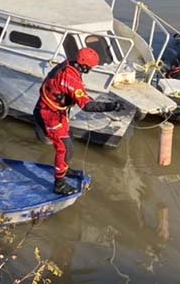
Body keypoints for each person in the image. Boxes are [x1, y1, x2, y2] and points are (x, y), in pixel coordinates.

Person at [33, 47, 122, 195]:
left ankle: (65, 169)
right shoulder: (71, 79)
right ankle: (59, 183)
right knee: (65, 148)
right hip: (50, 115)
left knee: (69, 137)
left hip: (57, 111)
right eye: (91, 67)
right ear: (85, 66)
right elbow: (86, 105)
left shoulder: (68, 65)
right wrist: (110, 106)